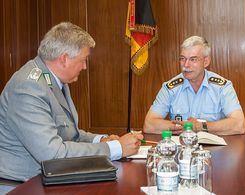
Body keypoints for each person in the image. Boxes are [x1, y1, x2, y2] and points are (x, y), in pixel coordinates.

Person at [0, 22, 143, 187]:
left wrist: (101, 140)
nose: (84, 67)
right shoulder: (28, 87)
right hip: (19, 186)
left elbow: (69, 134)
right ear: (64, 59)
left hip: (49, 179)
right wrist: (115, 148)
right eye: (83, 60)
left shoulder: (54, 79)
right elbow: (53, 154)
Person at [143, 36, 245, 135]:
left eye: (193, 59)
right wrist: (186, 127)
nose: (186, 65)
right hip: (182, 147)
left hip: (214, 149)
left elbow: (239, 125)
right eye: (183, 59)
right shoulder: (170, 88)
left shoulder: (222, 87)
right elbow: (149, 124)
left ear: (206, 62)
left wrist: (200, 126)